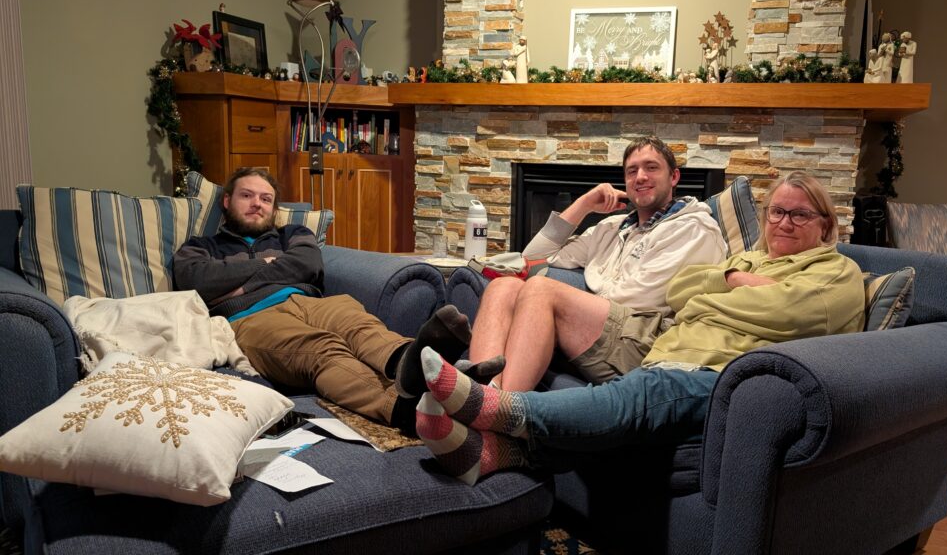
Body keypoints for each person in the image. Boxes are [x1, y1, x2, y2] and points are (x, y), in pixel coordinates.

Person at [413, 171, 866, 484]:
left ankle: (495, 408)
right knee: (513, 285)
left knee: (639, 395)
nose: (784, 222)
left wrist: (711, 299)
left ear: (825, 224)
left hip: (720, 370)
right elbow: (681, 290)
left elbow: (790, 312)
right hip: (670, 349)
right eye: (777, 212)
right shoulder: (747, 261)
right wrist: (733, 281)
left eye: (799, 215)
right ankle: (493, 446)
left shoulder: (836, 271)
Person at [397, 137, 727, 395]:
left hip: (647, 338)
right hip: (602, 327)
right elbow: (532, 257)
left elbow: (635, 300)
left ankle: (496, 409)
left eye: (651, 168)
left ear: (674, 177)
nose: (640, 177)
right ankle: (481, 391)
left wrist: (565, 298)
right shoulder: (613, 228)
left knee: (540, 289)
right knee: (505, 285)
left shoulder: (693, 229)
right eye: (632, 171)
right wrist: (584, 205)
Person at [172, 167, 475, 435]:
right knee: (321, 349)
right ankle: (405, 408)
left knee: (357, 324)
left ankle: (413, 363)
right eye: (247, 195)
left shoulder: (292, 233)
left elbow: (308, 264)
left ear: (274, 208)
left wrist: (237, 284)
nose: (257, 204)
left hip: (311, 302)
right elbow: (196, 280)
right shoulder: (203, 246)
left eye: (266, 199)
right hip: (250, 316)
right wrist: (267, 264)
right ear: (227, 201)